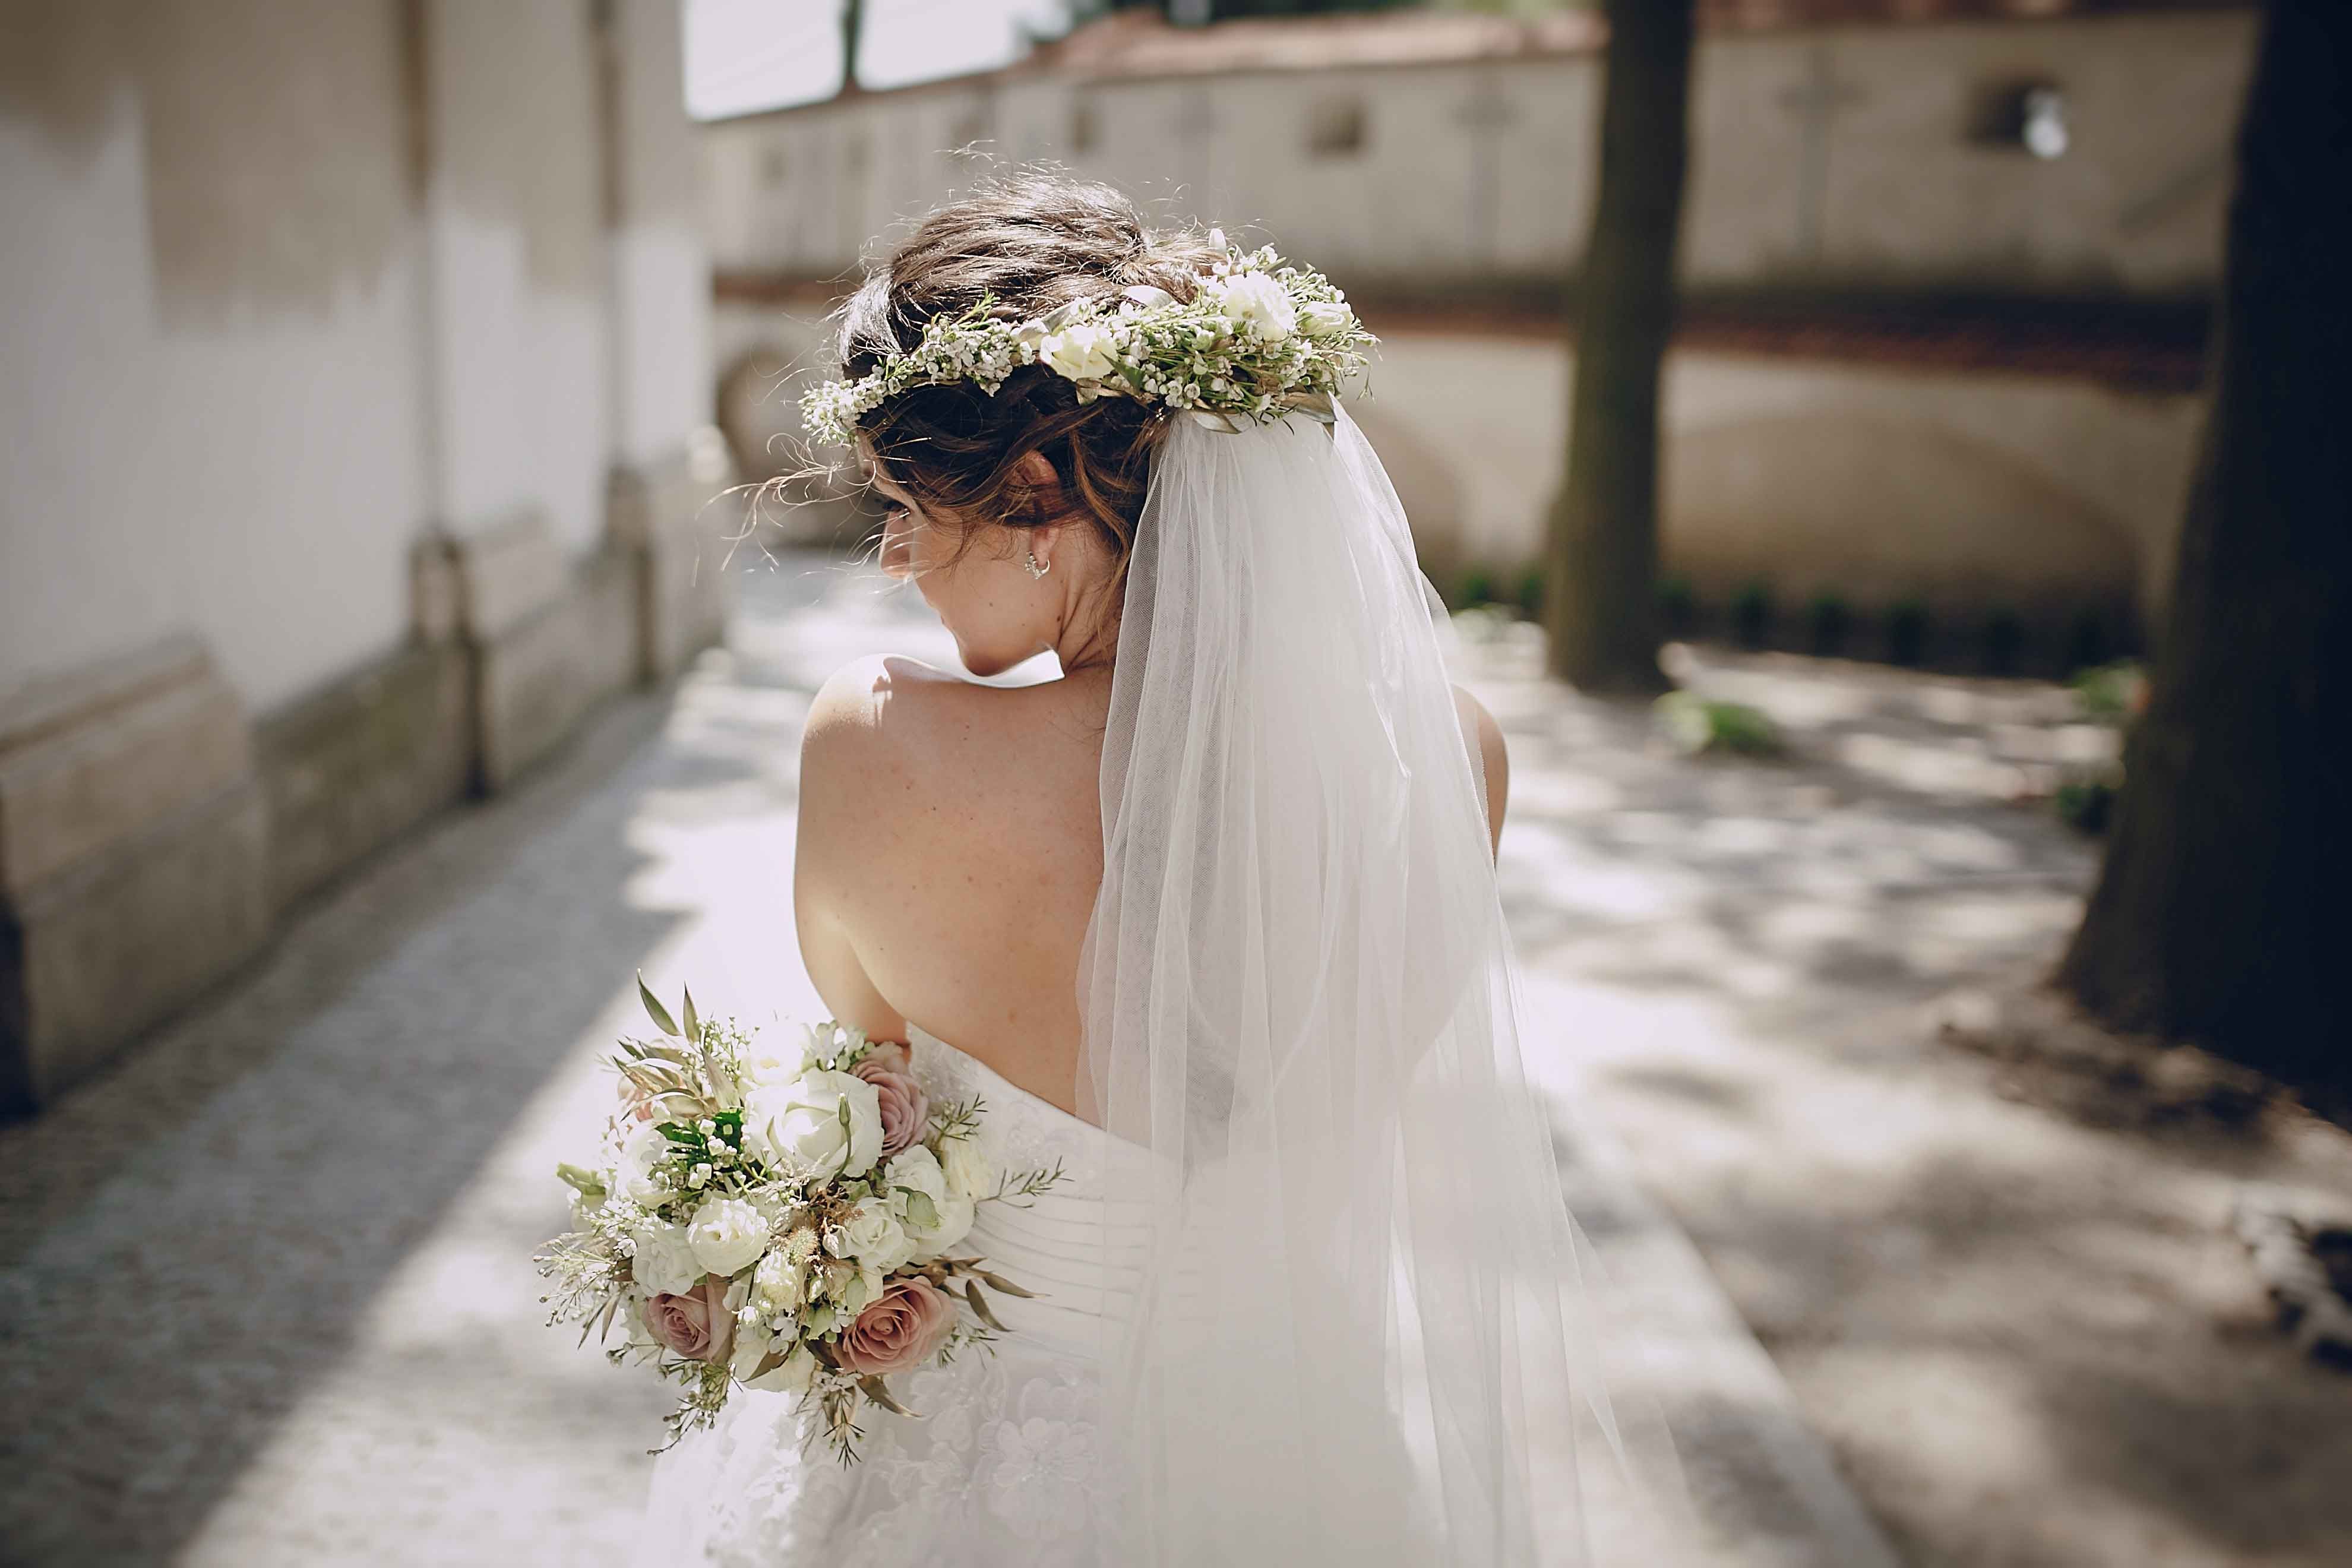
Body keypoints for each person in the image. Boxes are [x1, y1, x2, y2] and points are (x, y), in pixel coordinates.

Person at [635, 172, 1680, 1567]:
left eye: (908, 506)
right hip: (1294, 1457)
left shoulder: (875, 749)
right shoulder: (1450, 757)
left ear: (1032, 498)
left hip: (966, 1455)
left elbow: (868, 1064)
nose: (892, 562)